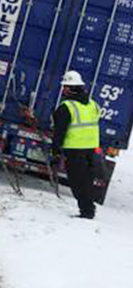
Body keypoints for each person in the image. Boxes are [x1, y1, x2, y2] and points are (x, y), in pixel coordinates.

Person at [51, 70, 101, 220]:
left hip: (75, 151)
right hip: (91, 150)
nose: (63, 89)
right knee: (86, 181)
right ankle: (88, 209)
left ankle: (87, 212)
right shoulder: (93, 104)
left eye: (65, 86)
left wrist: (56, 153)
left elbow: (59, 132)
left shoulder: (67, 107)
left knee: (77, 182)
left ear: (70, 88)